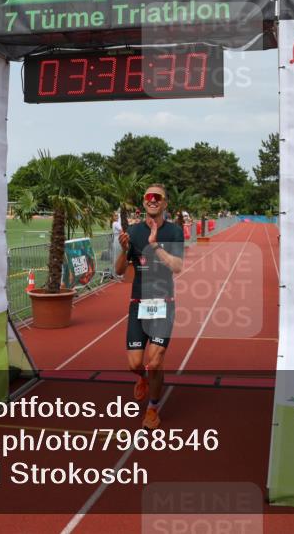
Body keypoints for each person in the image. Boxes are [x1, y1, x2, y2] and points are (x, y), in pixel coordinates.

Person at [115, 184, 184, 430]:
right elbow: (120, 271)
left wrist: (155, 245)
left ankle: (153, 408)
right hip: (138, 304)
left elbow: (177, 266)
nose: (153, 200)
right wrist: (124, 251)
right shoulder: (132, 232)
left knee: (155, 361)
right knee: (135, 364)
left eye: (158, 197)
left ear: (165, 203)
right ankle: (142, 379)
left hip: (163, 304)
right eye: (148, 197)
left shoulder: (174, 232)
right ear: (144, 202)